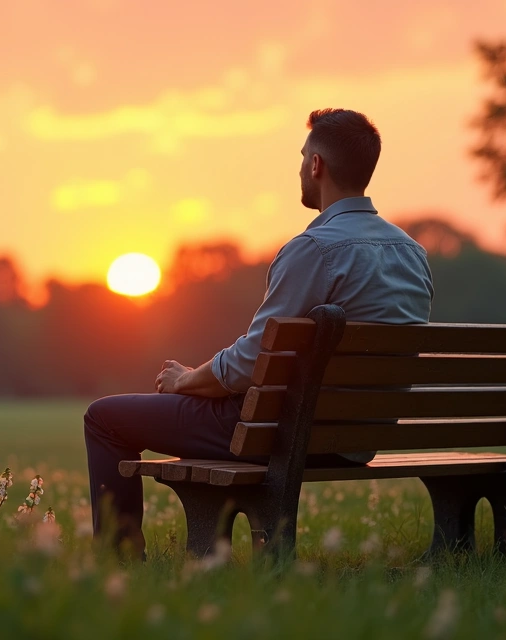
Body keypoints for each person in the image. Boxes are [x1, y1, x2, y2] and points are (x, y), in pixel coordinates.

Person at [83, 108, 435, 558]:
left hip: (285, 434)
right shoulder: (413, 254)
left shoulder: (314, 250)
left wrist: (185, 380)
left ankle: (118, 561)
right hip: (358, 440)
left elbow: (254, 361)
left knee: (104, 418)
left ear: (316, 166)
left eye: (303, 156)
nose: (301, 167)